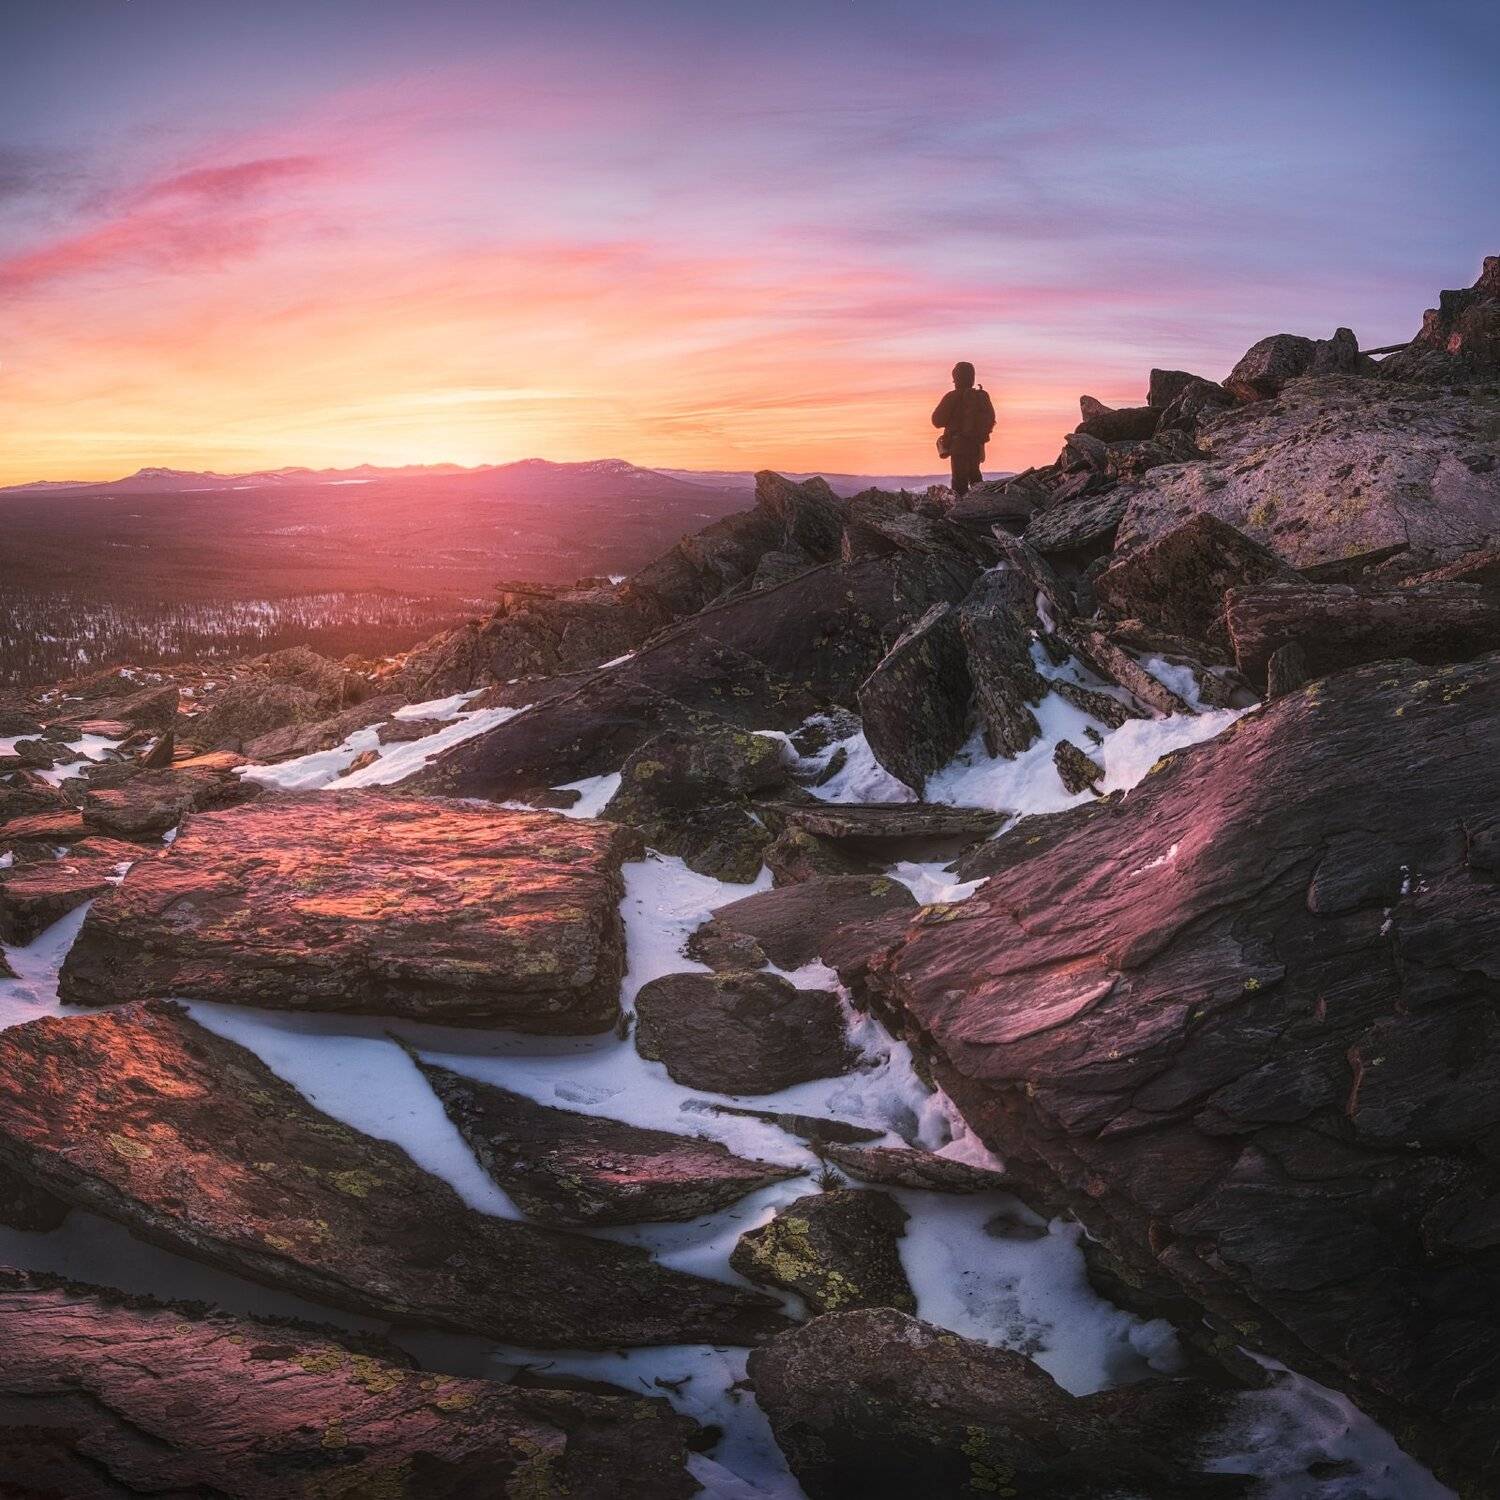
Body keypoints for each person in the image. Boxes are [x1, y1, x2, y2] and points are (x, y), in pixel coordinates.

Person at [931, 362, 996, 498]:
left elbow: (937, 421)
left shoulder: (952, 397)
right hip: (977, 445)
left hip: (958, 445)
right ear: (972, 377)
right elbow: (991, 419)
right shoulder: (981, 397)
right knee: (975, 476)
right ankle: (981, 505)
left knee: (959, 482)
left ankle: (961, 512)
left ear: (956, 378)